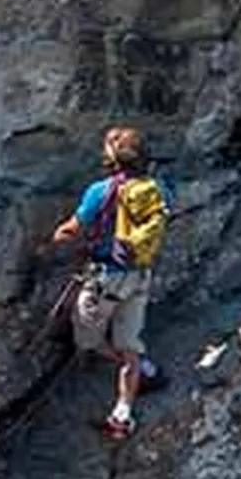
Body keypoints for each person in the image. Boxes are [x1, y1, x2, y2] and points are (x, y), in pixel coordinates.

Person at [49, 124, 168, 438]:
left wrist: (56, 239)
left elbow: (74, 227)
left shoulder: (100, 191)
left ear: (112, 158)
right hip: (140, 274)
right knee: (130, 342)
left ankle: (136, 369)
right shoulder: (156, 189)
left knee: (86, 335)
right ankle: (123, 411)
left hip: (107, 277)